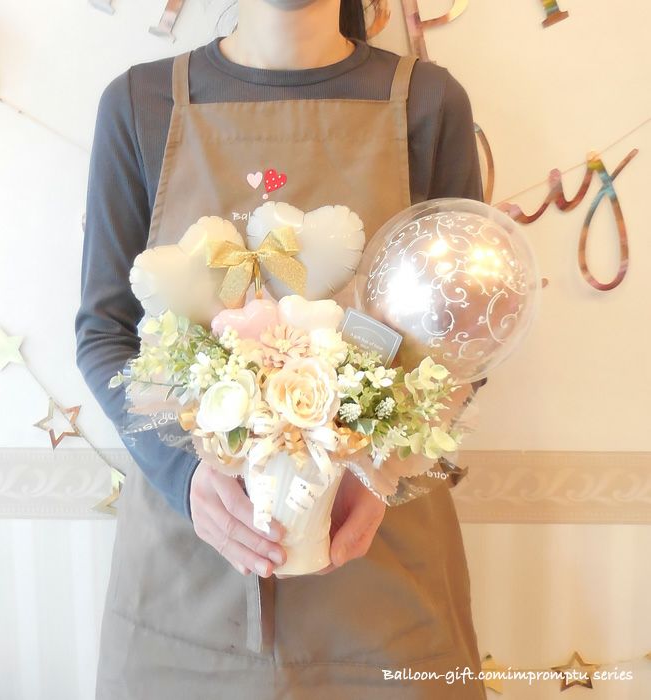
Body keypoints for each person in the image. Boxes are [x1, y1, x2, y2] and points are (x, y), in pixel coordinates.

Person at [75, 0, 488, 696]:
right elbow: (104, 331)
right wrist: (186, 478)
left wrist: (380, 473)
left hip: (382, 573)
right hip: (186, 578)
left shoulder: (428, 103)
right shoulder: (140, 104)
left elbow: (465, 335)